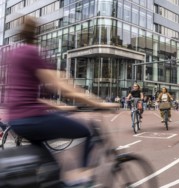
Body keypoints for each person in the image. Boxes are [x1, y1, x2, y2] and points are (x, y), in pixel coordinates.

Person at [4, 16, 119, 185]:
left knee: (51, 167)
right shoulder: (32, 52)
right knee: (86, 132)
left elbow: (28, 95)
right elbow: (63, 87)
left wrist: (60, 106)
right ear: (37, 33)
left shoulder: (13, 54)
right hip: (32, 118)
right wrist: (99, 103)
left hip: (15, 121)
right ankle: (83, 178)